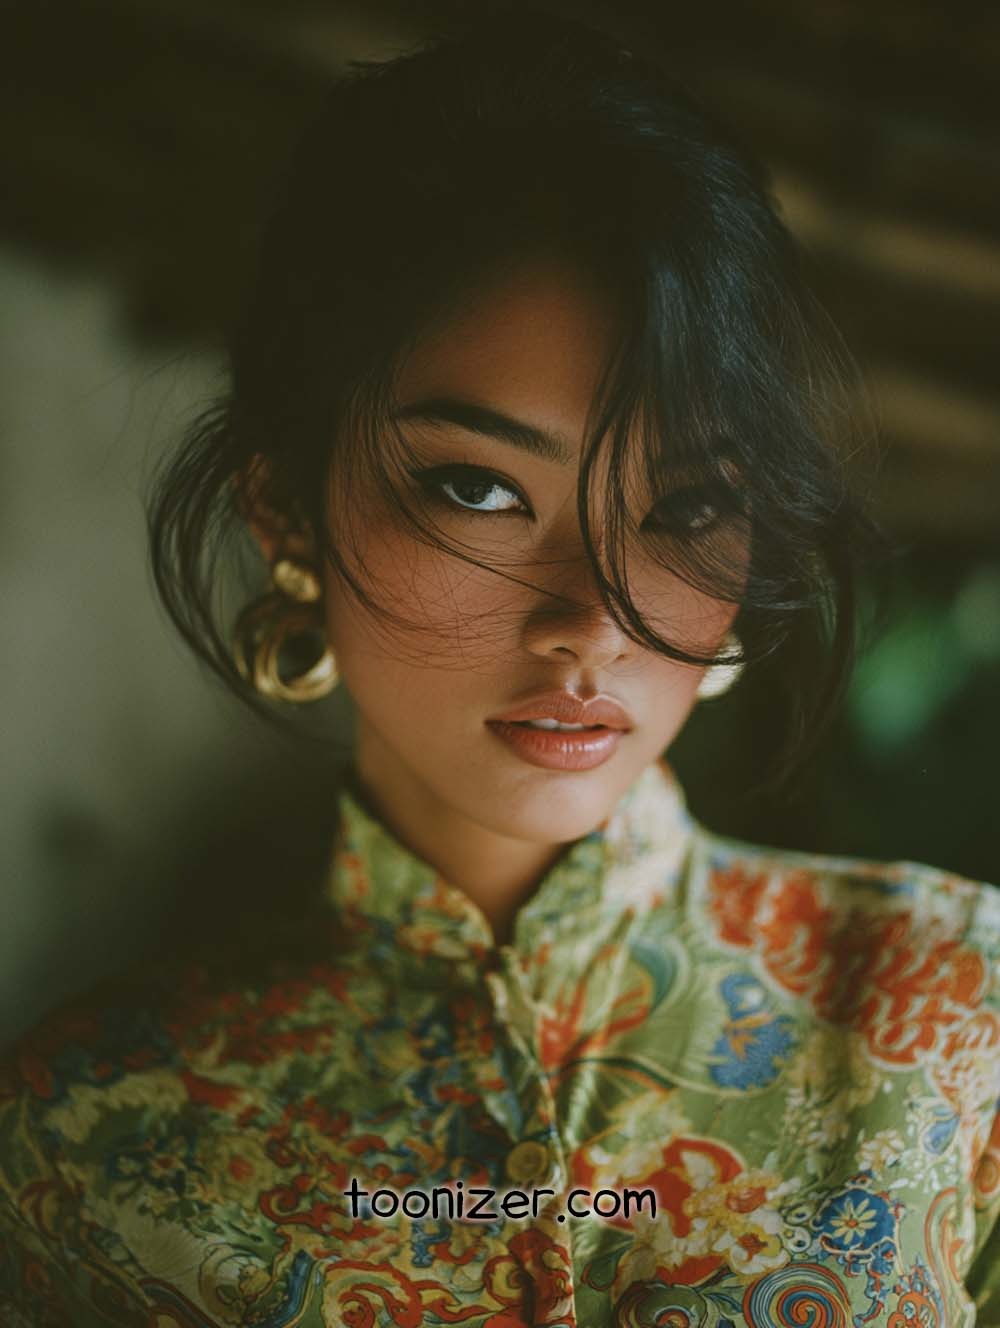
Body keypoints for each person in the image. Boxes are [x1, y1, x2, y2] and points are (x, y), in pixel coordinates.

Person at [1, 8, 997, 1325]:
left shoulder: (959, 1013)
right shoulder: (86, 1135)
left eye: (686, 504)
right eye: (476, 488)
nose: (590, 622)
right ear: (285, 512)